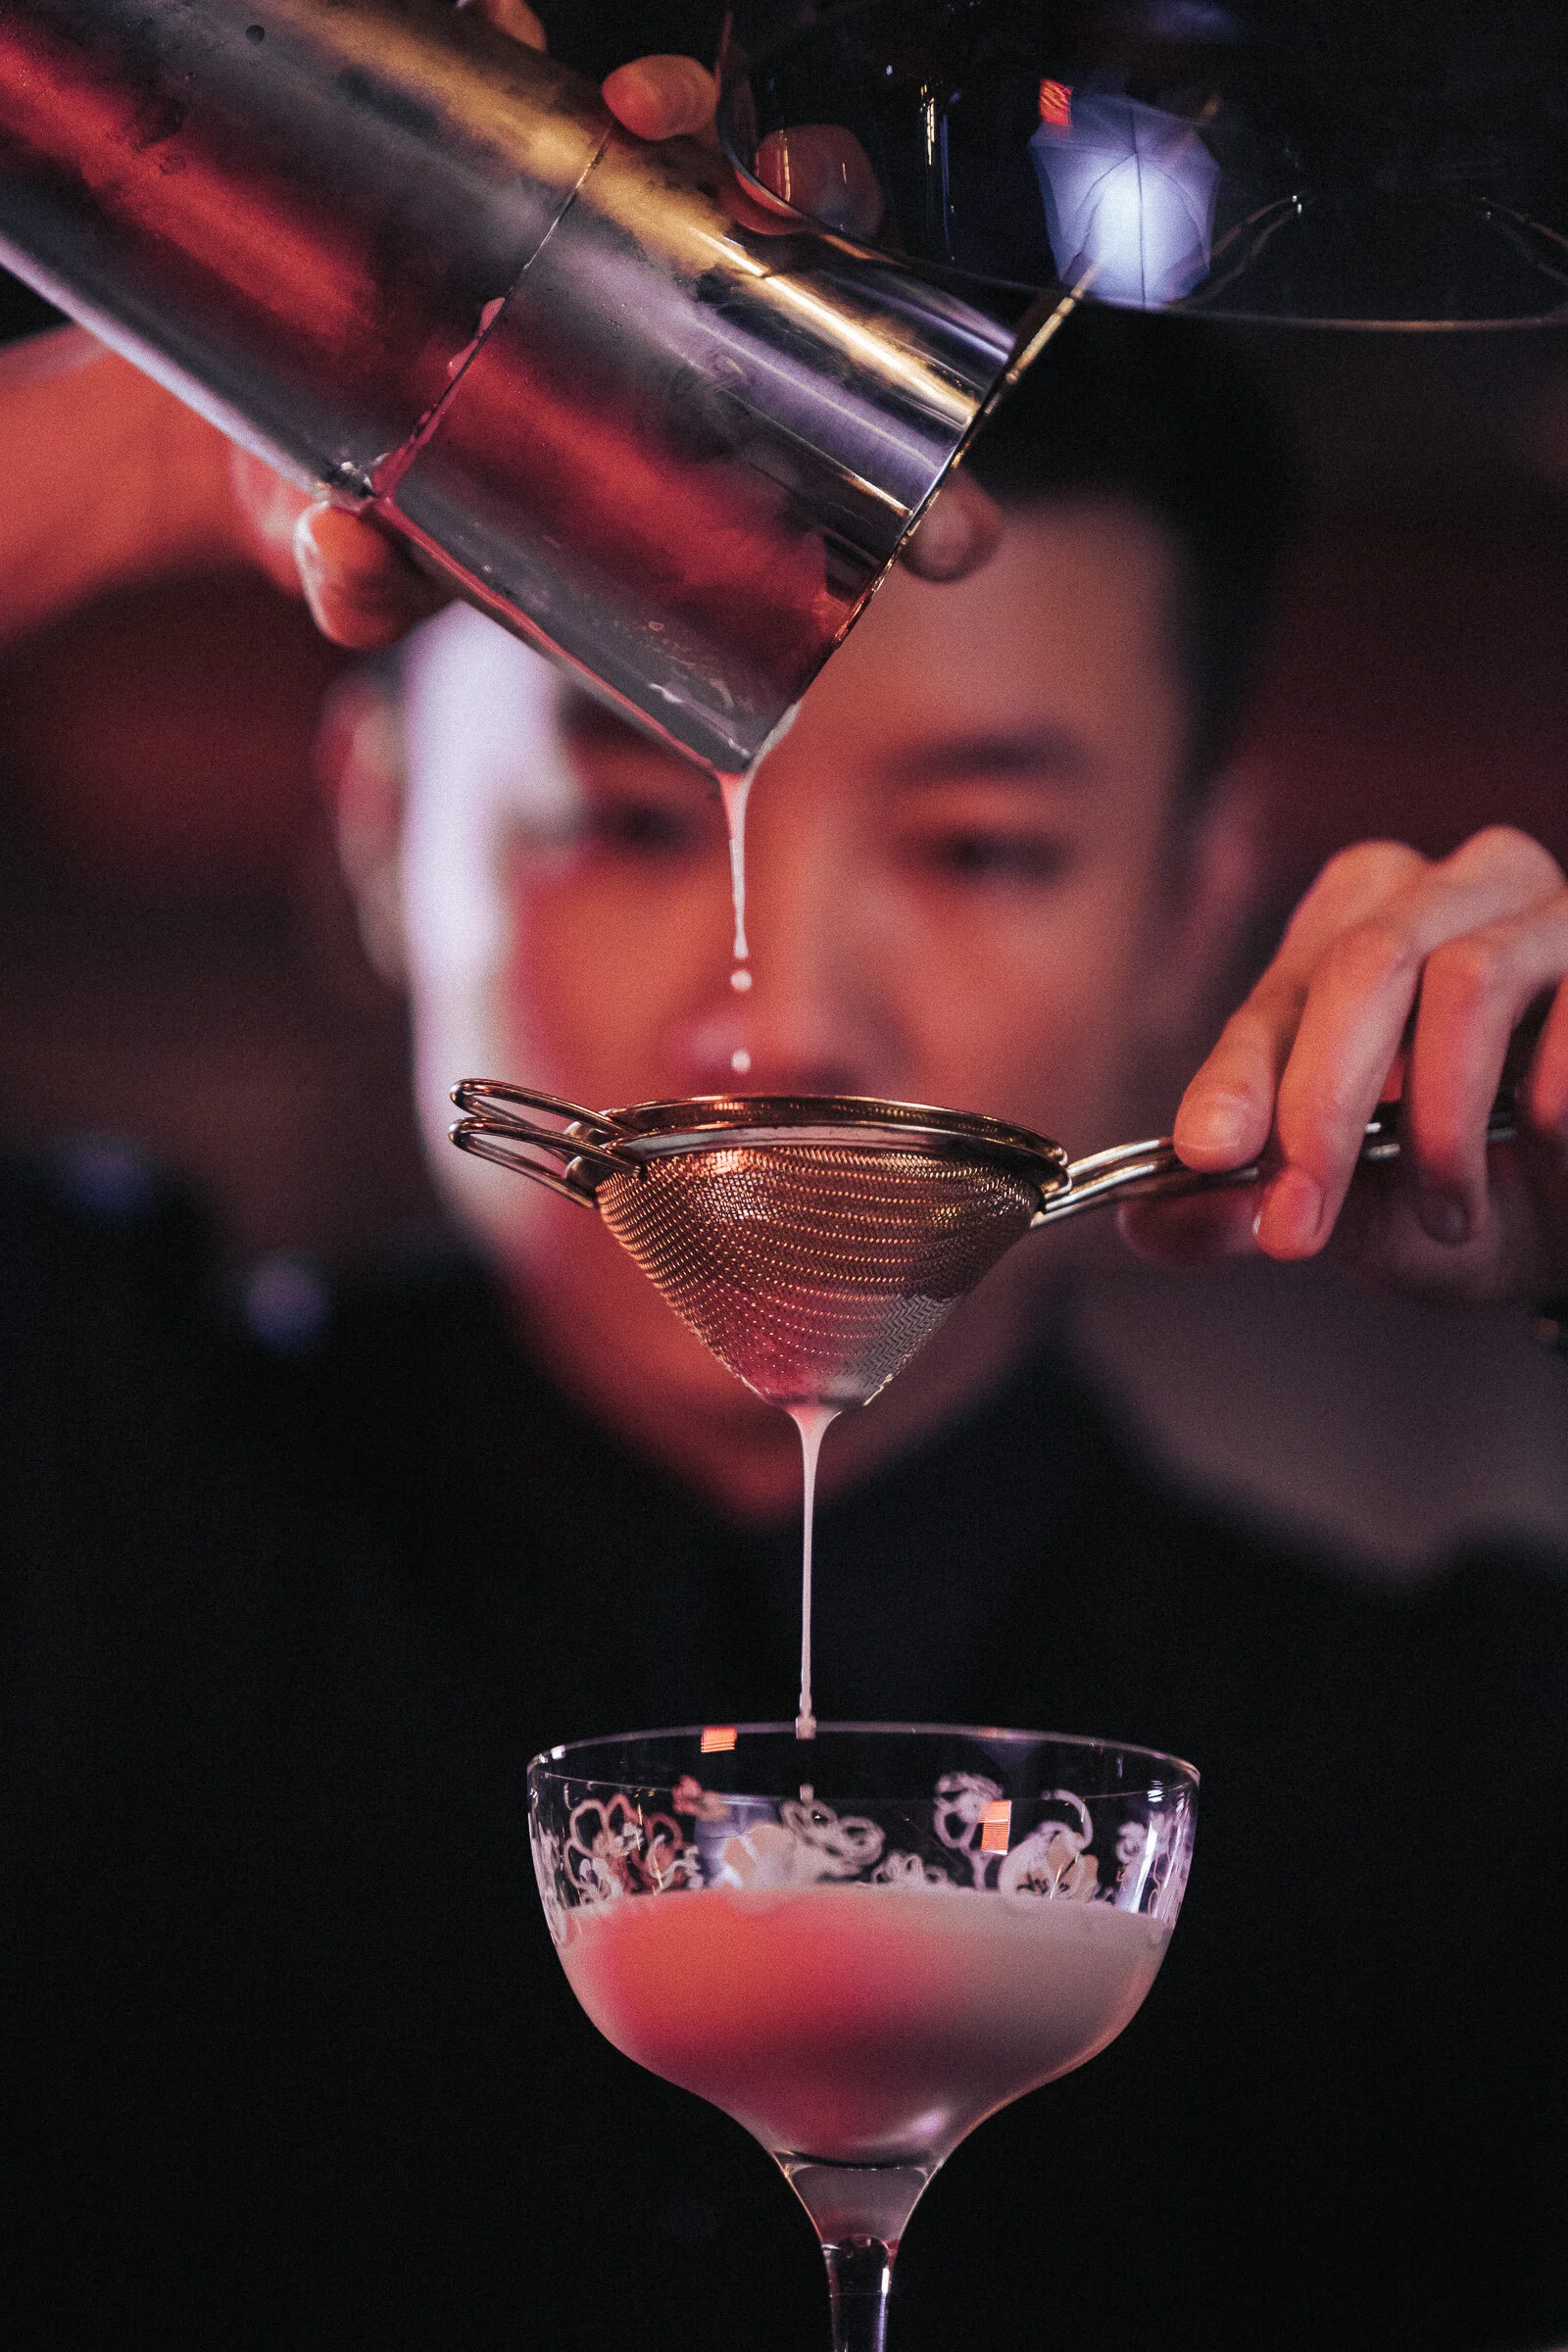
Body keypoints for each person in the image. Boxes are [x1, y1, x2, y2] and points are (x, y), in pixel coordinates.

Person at [4, 29, 1568, 2352]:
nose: (784, 1023)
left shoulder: (1442, 1784)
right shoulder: (74, 1517)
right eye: (630, 811)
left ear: (1186, 909)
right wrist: (162, 421)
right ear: (376, 834)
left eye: (979, 848)